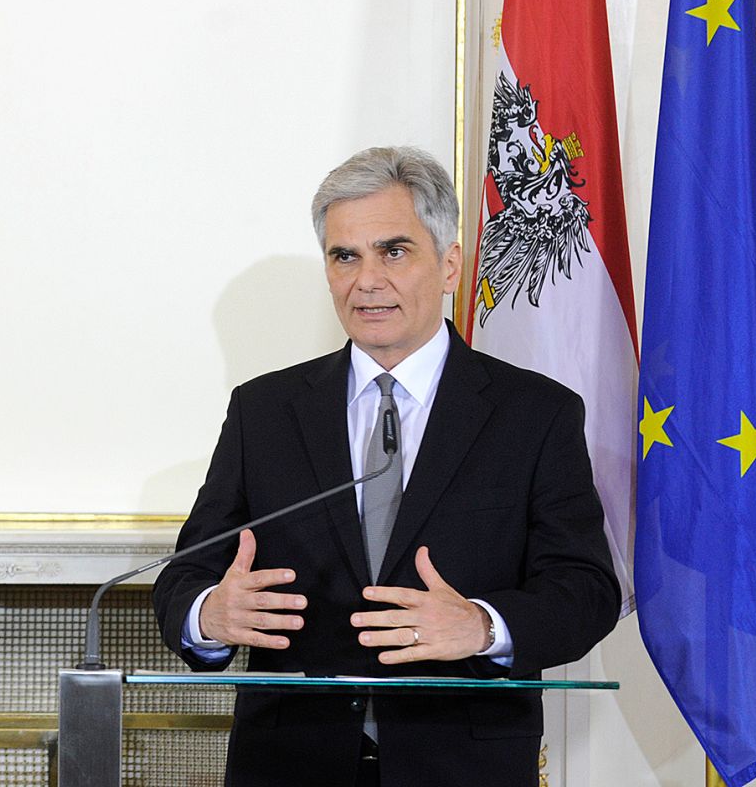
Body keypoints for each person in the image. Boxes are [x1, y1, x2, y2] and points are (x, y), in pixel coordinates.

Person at [152, 146, 619, 787]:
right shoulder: (265, 411)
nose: (366, 280)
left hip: (463, 764)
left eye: (393, 251)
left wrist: (483, 625)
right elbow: (186, 575)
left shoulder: (535, 414)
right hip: (291, 764)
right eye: (345, 256)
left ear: (450, 264)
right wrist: (207, 614)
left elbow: (586, 591)